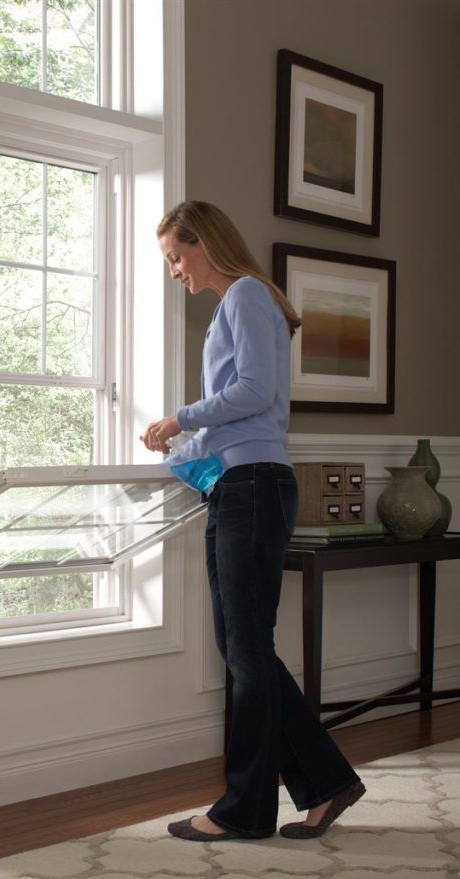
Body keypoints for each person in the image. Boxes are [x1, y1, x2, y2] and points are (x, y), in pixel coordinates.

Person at [141, 201, 365, 841]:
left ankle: (244, 809)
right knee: (245, 650)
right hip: (243, 487)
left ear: (205, 242)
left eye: (176, 257)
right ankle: (324, 784)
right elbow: (240, 421)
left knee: (245, 650)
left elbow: (253, 394)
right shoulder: (239, 303)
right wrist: (172, 454)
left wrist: (179, 418)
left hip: (253, 490)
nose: (174, 270)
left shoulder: (242, 295)